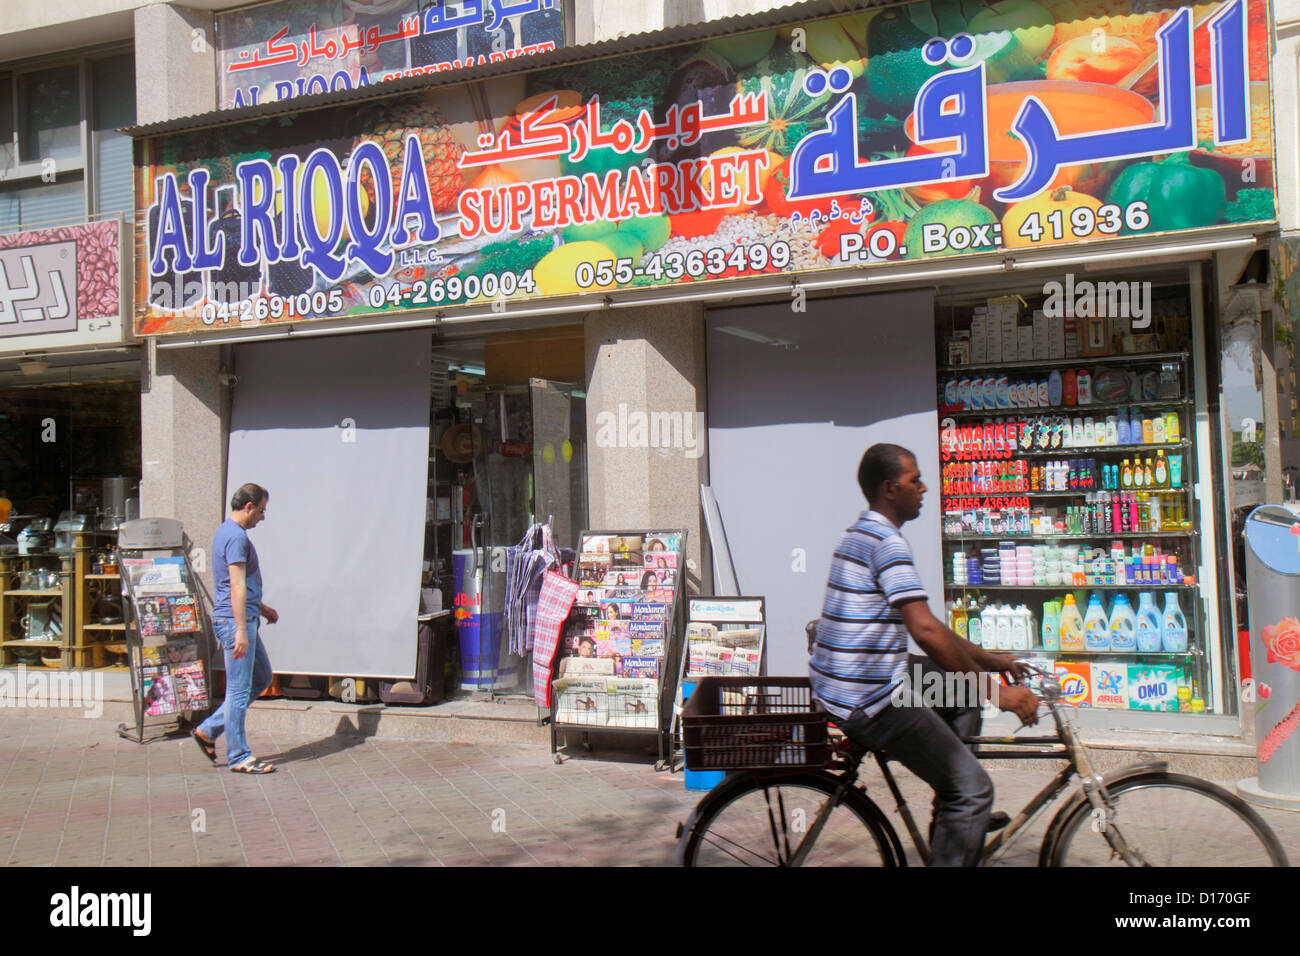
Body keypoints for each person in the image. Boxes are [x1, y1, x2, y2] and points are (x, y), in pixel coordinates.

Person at [808, 443, 1039, 867]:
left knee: (962, 694)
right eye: (916, 481)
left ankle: (950, 821)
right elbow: (926, 632)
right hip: (872, 695)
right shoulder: (886, 544)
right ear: (890, 488)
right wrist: (1000, 695)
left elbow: (932, 626)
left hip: (857, 677)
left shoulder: (861, 532)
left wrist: (989, 661)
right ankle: (960, 808)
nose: (925, 487)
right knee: (974, 791)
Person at [193, 483, 279, 774]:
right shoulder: (236, 537)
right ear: (249, 507)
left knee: (262, 677)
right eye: (262, 510)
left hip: (242, 619)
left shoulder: (228, 533)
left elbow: (237, 586)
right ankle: (239, 756)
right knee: (239, 690)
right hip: (234, 622)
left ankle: (208, 730)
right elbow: (236, 584)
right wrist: (241, 629)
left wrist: (262, 608)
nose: (263, 517)